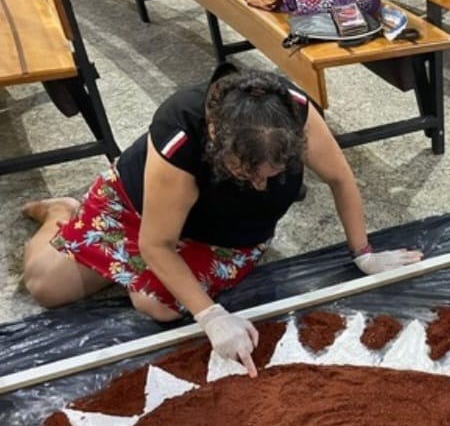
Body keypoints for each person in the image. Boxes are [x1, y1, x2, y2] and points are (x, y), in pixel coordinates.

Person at [21, 65, 421, 377]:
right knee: (45, 286)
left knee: (157, 303)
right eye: (248, 175)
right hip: (137, 207)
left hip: (222, 235)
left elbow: (340, 179)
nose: (261, 186)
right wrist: (211, 316)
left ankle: (124, 268)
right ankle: (61, 212)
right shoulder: (180, 134)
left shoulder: (290, 112)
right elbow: (156, 243)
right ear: (218, 145)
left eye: (272, 175)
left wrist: (364, 253)